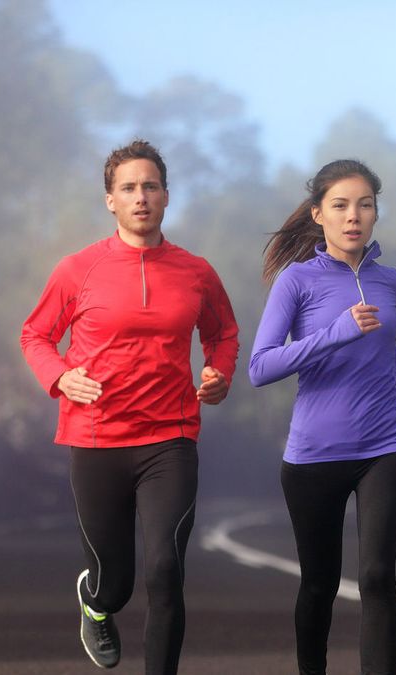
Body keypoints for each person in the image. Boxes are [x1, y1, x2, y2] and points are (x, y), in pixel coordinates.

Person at [20, 139, 239, 673]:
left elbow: (224, 334)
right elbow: (36, 335)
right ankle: (95, 602)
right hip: (96, 439)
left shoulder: (196, 272)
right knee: (115, 582)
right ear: (110, 201)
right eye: (128, 188)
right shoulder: (78, 270)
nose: (140, 197)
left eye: (150, 186)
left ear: (166, 196)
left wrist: (219, 376)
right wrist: (60, 377)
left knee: (165, 569)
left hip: (171, 438)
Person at [249, 159, 396, 675]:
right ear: (318, 214)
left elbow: (384, 348)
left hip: (386, 447)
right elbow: (260, 368)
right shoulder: (296, 282)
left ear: (376, 213)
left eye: (365, 205)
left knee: (377, 576)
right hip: (314, 454)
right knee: (319, 584)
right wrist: (336, 332)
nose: (354, 216)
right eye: (340, 205)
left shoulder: (392, 282)